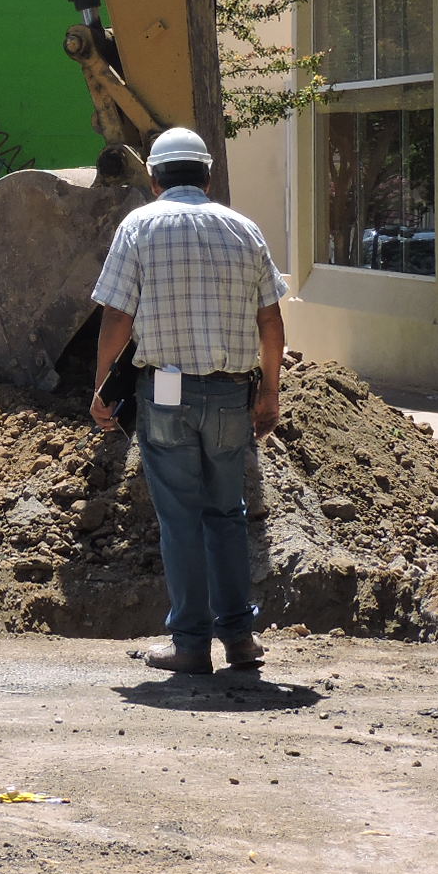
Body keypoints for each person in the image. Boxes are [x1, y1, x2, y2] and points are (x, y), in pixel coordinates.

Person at [88, 127, 287, 677]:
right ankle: (240, 639)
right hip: (229, 391)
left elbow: (116, 316)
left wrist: (103, 385)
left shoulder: (138, 227)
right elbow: (271, 321)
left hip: (168, 388)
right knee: (228, 514)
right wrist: (269, 392)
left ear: (154, 178)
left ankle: (191, 645)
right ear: (207, 175)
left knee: (180, 518)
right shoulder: (244, 230)